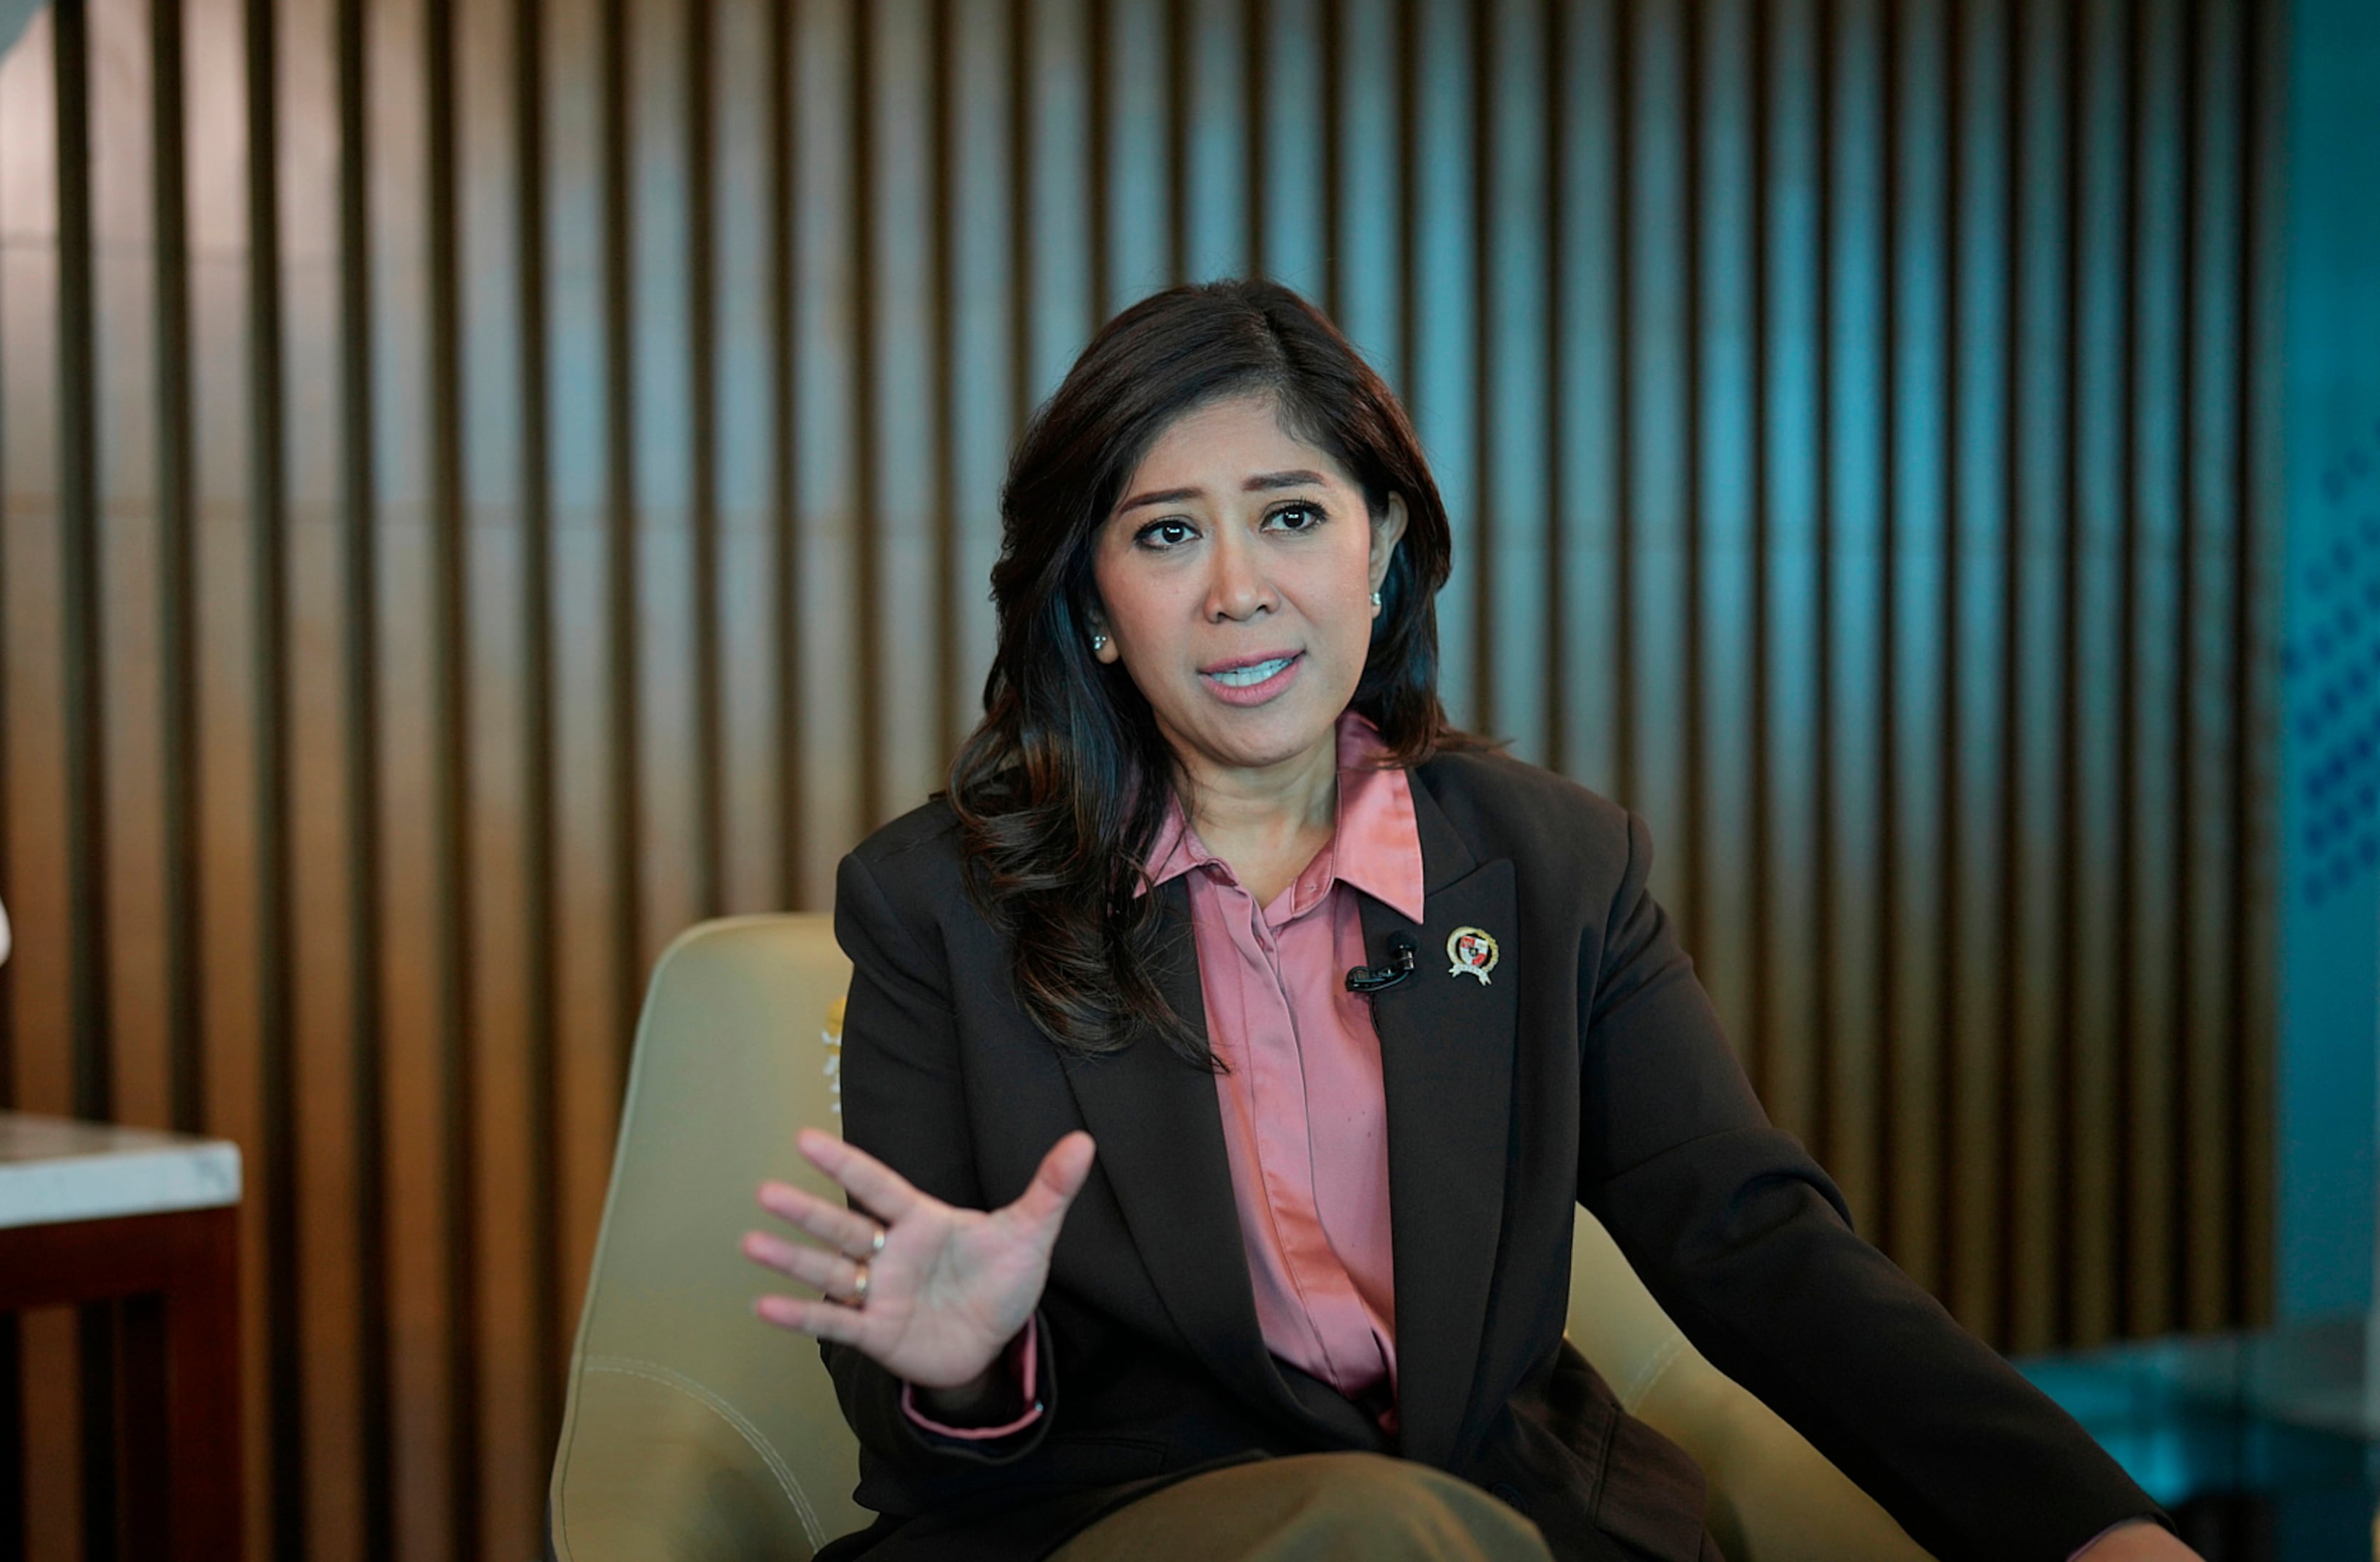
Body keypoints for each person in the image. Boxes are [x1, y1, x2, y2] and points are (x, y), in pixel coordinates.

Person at [739, 279, 2191, 1562]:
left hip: (1490, 1513)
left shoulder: (1552, 866)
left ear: (1380, 550)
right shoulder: (938, 904)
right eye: (1168, 534)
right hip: (1116, 1522)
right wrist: (972, 1371)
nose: (1241, 591)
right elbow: (911, 1393)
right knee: (1368, 1536)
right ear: (1096, 608)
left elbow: (1756, 1244)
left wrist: (2086, 1522)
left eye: (1293, 516)